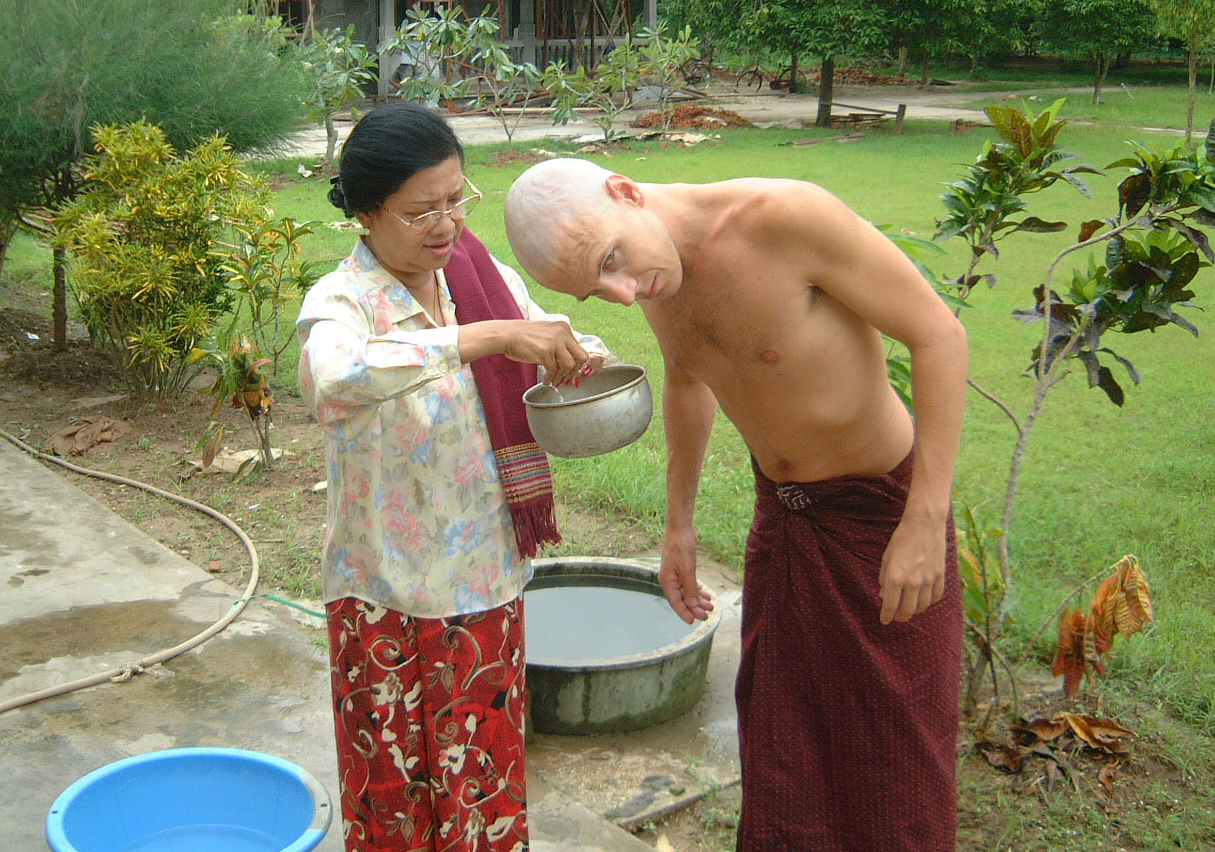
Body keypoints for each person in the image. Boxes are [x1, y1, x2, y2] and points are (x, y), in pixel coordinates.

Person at [502, 158, 967, 852]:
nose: (624, 294)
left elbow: (939, 335)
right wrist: (679, 525)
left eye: (611, 262)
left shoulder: (785, 218)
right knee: (784, 748)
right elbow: (687, 379)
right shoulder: (656, 271)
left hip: (882, 514)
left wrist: (925, 518)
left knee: (896, 759)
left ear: (627, 193)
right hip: (785, 518)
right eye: (597, 291)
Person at [297, 105, 607, 852]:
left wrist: (580, 356)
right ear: (366, 214)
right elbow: (334, 377)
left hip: (484, 579)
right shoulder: (343, 302)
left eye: (456, 198)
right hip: (387, 592)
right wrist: (484, 338)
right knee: (396, 795)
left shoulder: (483, 280)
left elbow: (543, 339)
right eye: (420, 211)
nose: (446, 224)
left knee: (481, 784)